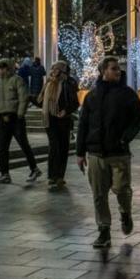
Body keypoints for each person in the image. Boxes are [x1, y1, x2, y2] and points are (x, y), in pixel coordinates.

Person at [76, 57, 140, 248]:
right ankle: (104, 230)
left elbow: (137, 119)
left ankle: (125, 212)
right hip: (96, 153)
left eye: (118, 69)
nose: (118, 72)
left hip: (119, 153)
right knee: (99, 194)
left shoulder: (127, 94)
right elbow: (83, 125)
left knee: (122, 189)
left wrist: (124, 138)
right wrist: (80, 152)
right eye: (114, 69)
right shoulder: (92, 96)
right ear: (103, 71)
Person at [0, 60, 42, 184]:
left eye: (3, 68)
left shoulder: (17, 80)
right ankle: (4, 174)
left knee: (24, 144)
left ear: (9, 69)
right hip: (1, 119)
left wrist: (20, 114)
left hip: (15, 118)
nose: (1, 71)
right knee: (2, 148)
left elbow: (23, 98)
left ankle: (34, 169)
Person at [37, 61, 79, 191]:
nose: (53, 71)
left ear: (62, 70)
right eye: (53, 68)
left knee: (63, 147)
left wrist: (65, 111)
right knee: (54, 146)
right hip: (50, 119)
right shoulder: (49, 83)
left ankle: (60, 176)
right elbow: (41, 101)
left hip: (63, 120)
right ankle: (52, 176)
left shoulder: (69, 83)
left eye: (56, 69)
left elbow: (75, 103)